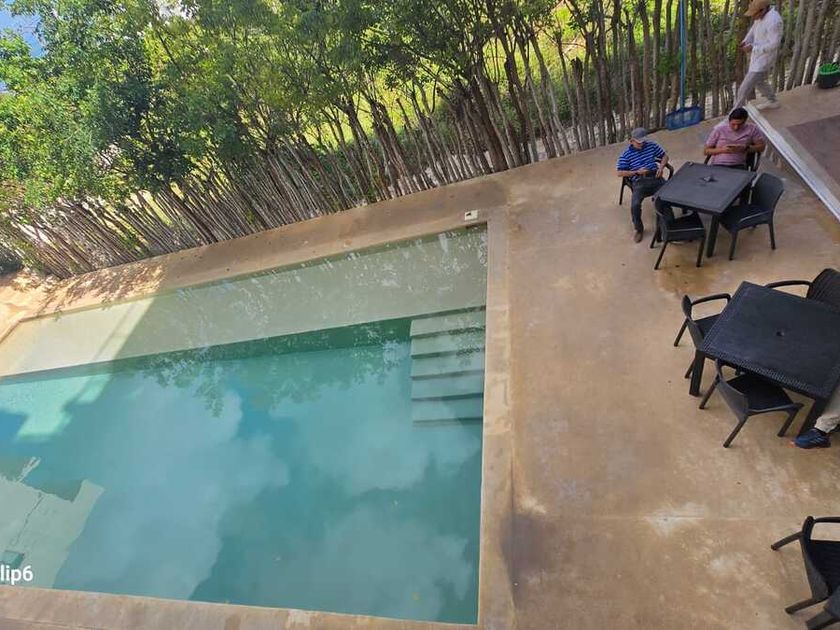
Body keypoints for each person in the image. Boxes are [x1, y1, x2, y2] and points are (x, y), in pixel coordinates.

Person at [616, 128, 670, 243]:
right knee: (635, 205)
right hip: (639, 181)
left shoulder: (651, 145)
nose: (642, 144)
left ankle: (668, 227)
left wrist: (661, 167)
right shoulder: (626, 155)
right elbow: (619, 172)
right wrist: (636, 172)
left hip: (655, 177)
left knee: (667, 198)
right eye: (639, 142)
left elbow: (665, 156)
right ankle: (639, 229)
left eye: (643, 141)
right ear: (631, 141)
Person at [733, 0, 783, 110]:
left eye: (754, 14)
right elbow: (753, 30)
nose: (753, 17)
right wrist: (746, 41)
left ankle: (734, 114)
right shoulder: (760, 17)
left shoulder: (774, 21)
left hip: (765, 58)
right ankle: (773, 100)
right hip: (757, 56)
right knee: (759, 82)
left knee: (743, 89)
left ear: (763, 10)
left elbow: (774, 44)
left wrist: (753, 48)